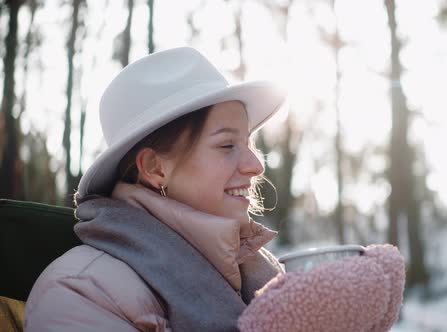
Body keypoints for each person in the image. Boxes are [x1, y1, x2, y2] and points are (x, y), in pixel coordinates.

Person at [24, 47, 405, 332]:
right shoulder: (82, 290)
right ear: (155, 168)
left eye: (250, 143)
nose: (255, 166)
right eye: (227, 145)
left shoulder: (255, 270)